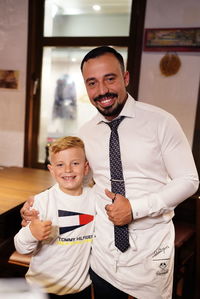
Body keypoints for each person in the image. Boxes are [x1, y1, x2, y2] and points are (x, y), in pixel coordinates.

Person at [21, 46, 199, 299]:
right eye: (92, 83)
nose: (102, 91)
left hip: (149, 252)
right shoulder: (86, 132)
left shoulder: (161, 122)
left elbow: (189, 180)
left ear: (125, 78)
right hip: (102, 252)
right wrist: (38, 207)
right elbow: (76, 182)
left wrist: (134, 209)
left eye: (110, 79)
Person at [15, 136, 95, 299]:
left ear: (85, 168)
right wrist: (31, 232)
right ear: (51, 170)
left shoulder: (95, 199)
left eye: (75, 163)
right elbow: (21, 247)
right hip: (41, 289)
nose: (68, 170)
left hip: (79, 289)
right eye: (60, 164)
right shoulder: (42, 201)